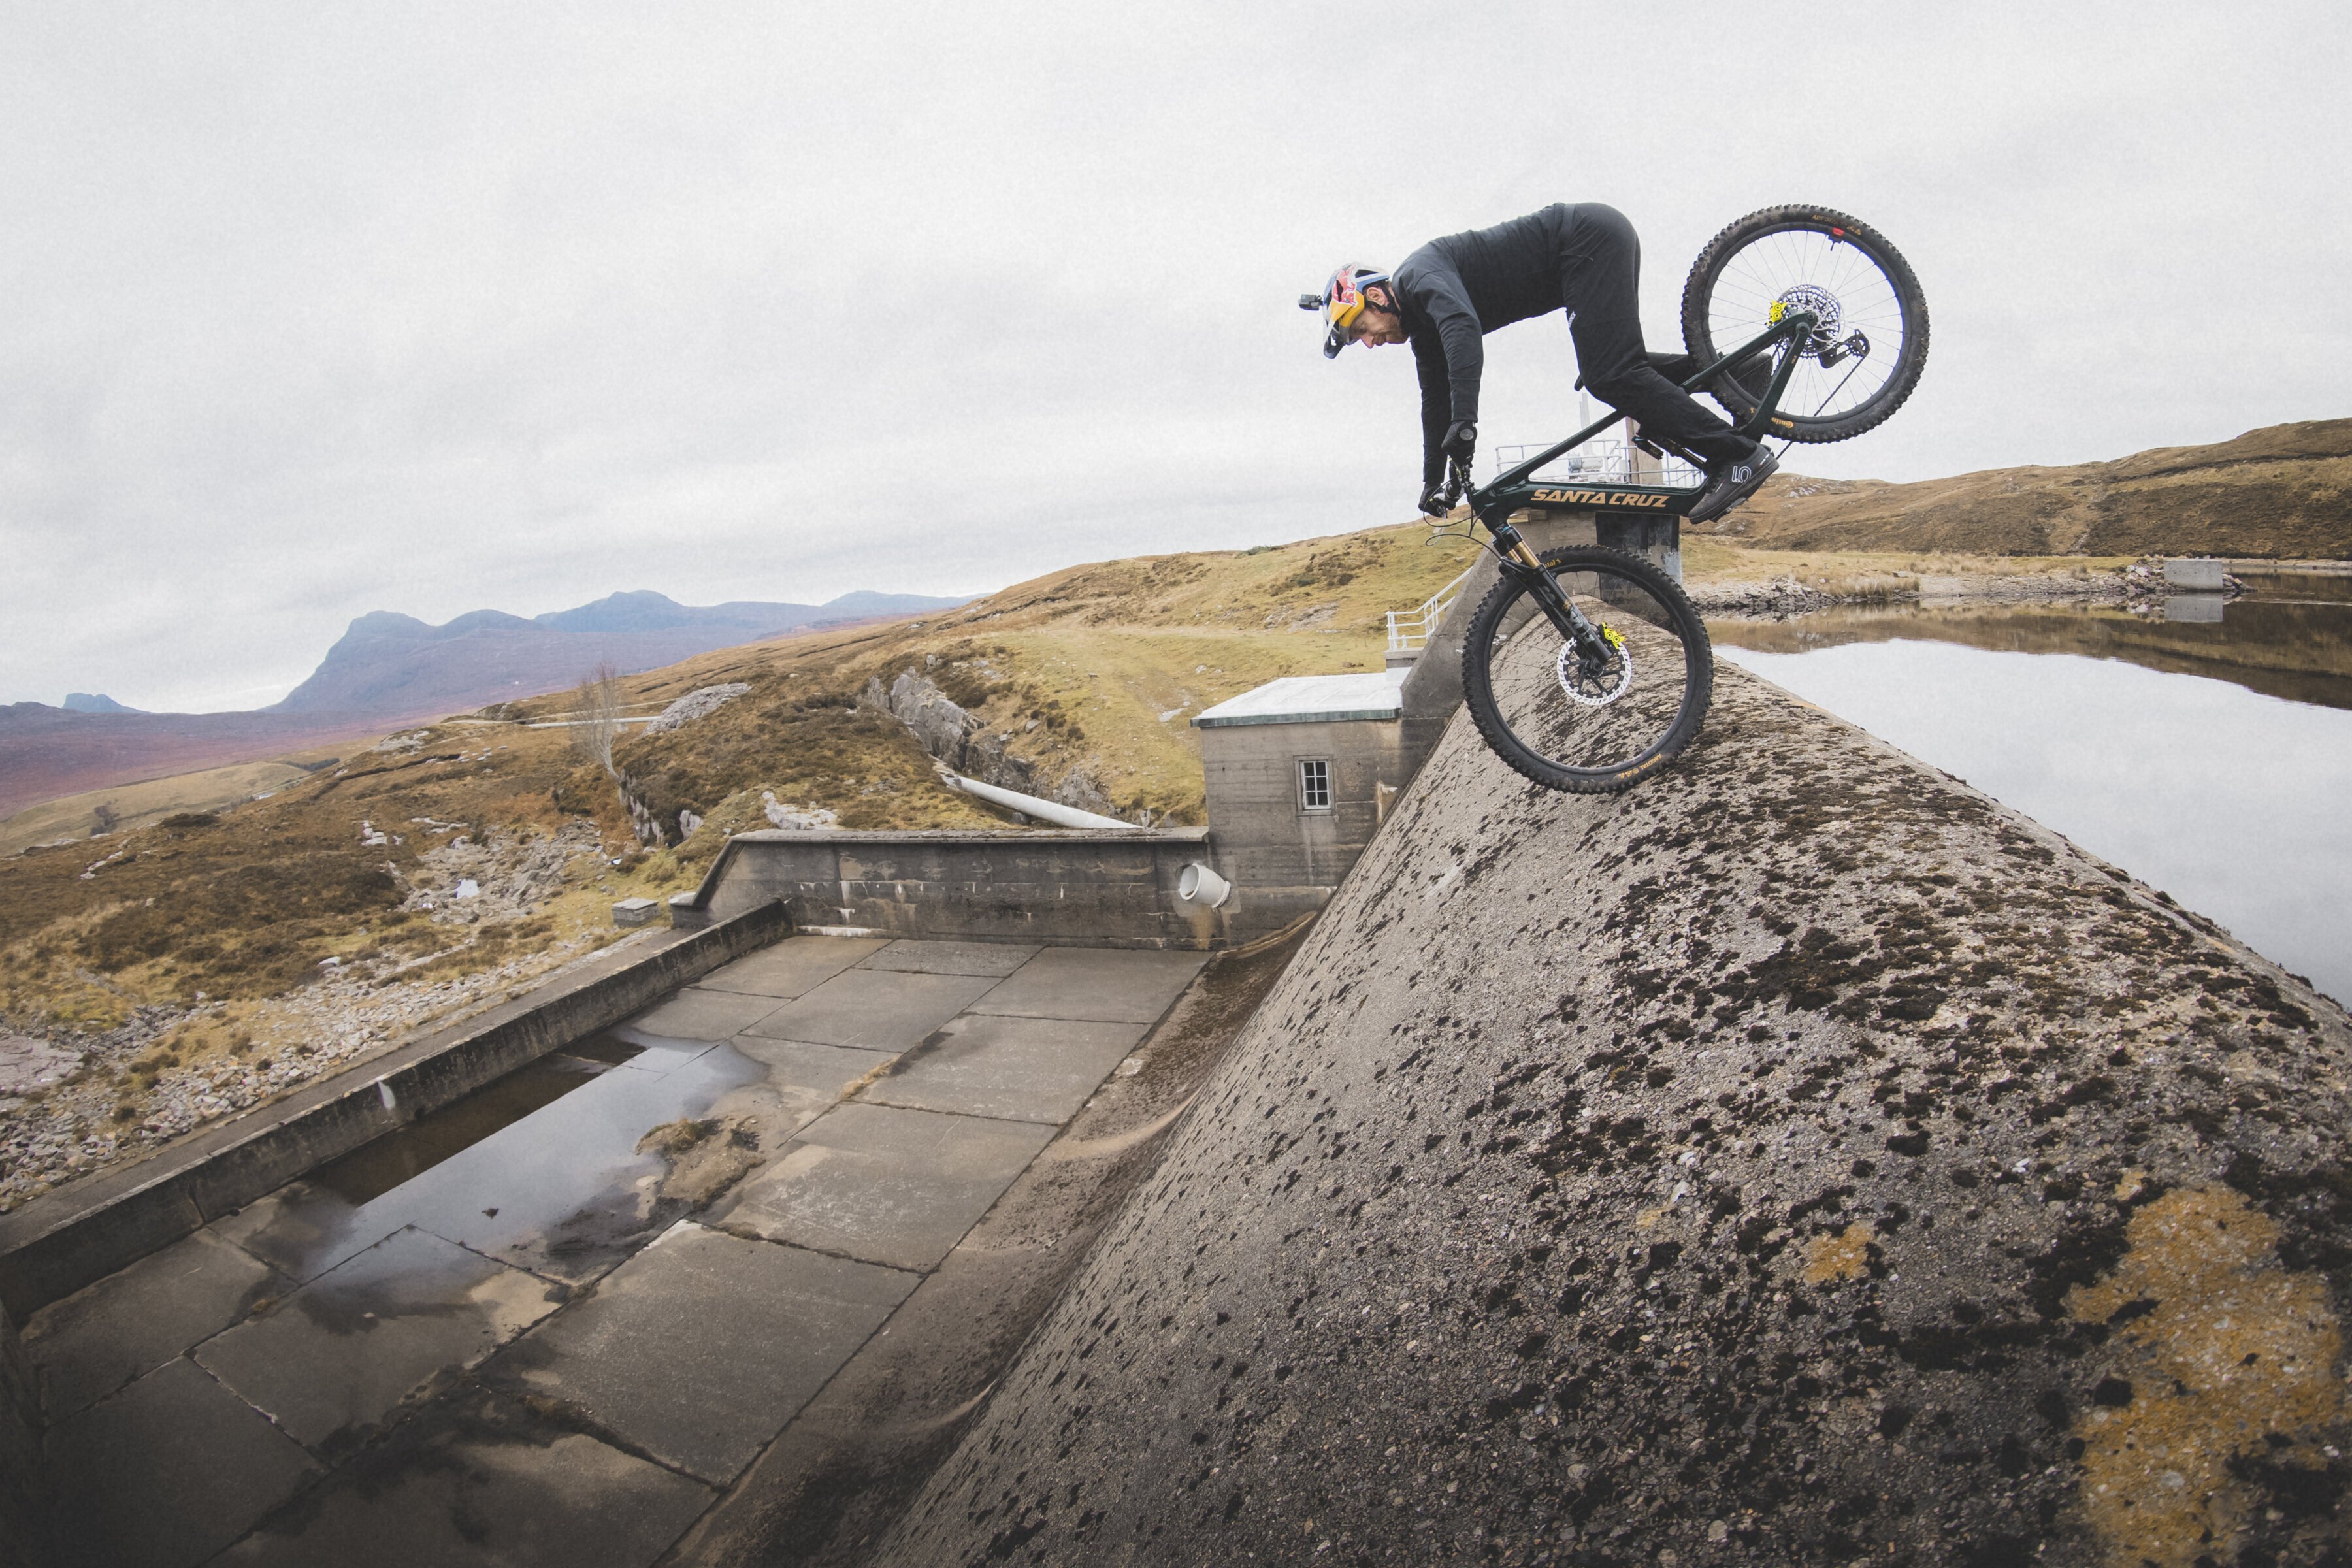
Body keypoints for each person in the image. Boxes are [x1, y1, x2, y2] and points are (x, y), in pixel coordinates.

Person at [1302, 202, 1776, 525]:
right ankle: (1741, 373)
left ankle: (1737, 457)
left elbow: (1464, 331)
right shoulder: (1421, 327)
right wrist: (1433, 479)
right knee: (1614, 368)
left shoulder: (1419, 275)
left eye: (1361, 328)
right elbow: (1436, 401)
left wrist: (1467, 424)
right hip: (1584, 256)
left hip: (1587, 239)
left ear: (1378, 295)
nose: (1369, 342)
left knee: (1609, 374)